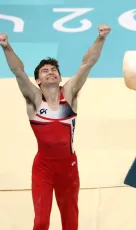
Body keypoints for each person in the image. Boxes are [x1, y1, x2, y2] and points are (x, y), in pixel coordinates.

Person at [0, 24, 111, 230]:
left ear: (60, 77)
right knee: (41, 222)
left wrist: (100, 39)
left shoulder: (68, 94)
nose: (50, 73)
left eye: (54, 70)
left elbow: (87, 63)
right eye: (45, 71)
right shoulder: (34, 99)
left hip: (69, 169)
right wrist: (6, 47)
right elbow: (18, 71)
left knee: (70, 222)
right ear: (38, 80)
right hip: (43, 169)